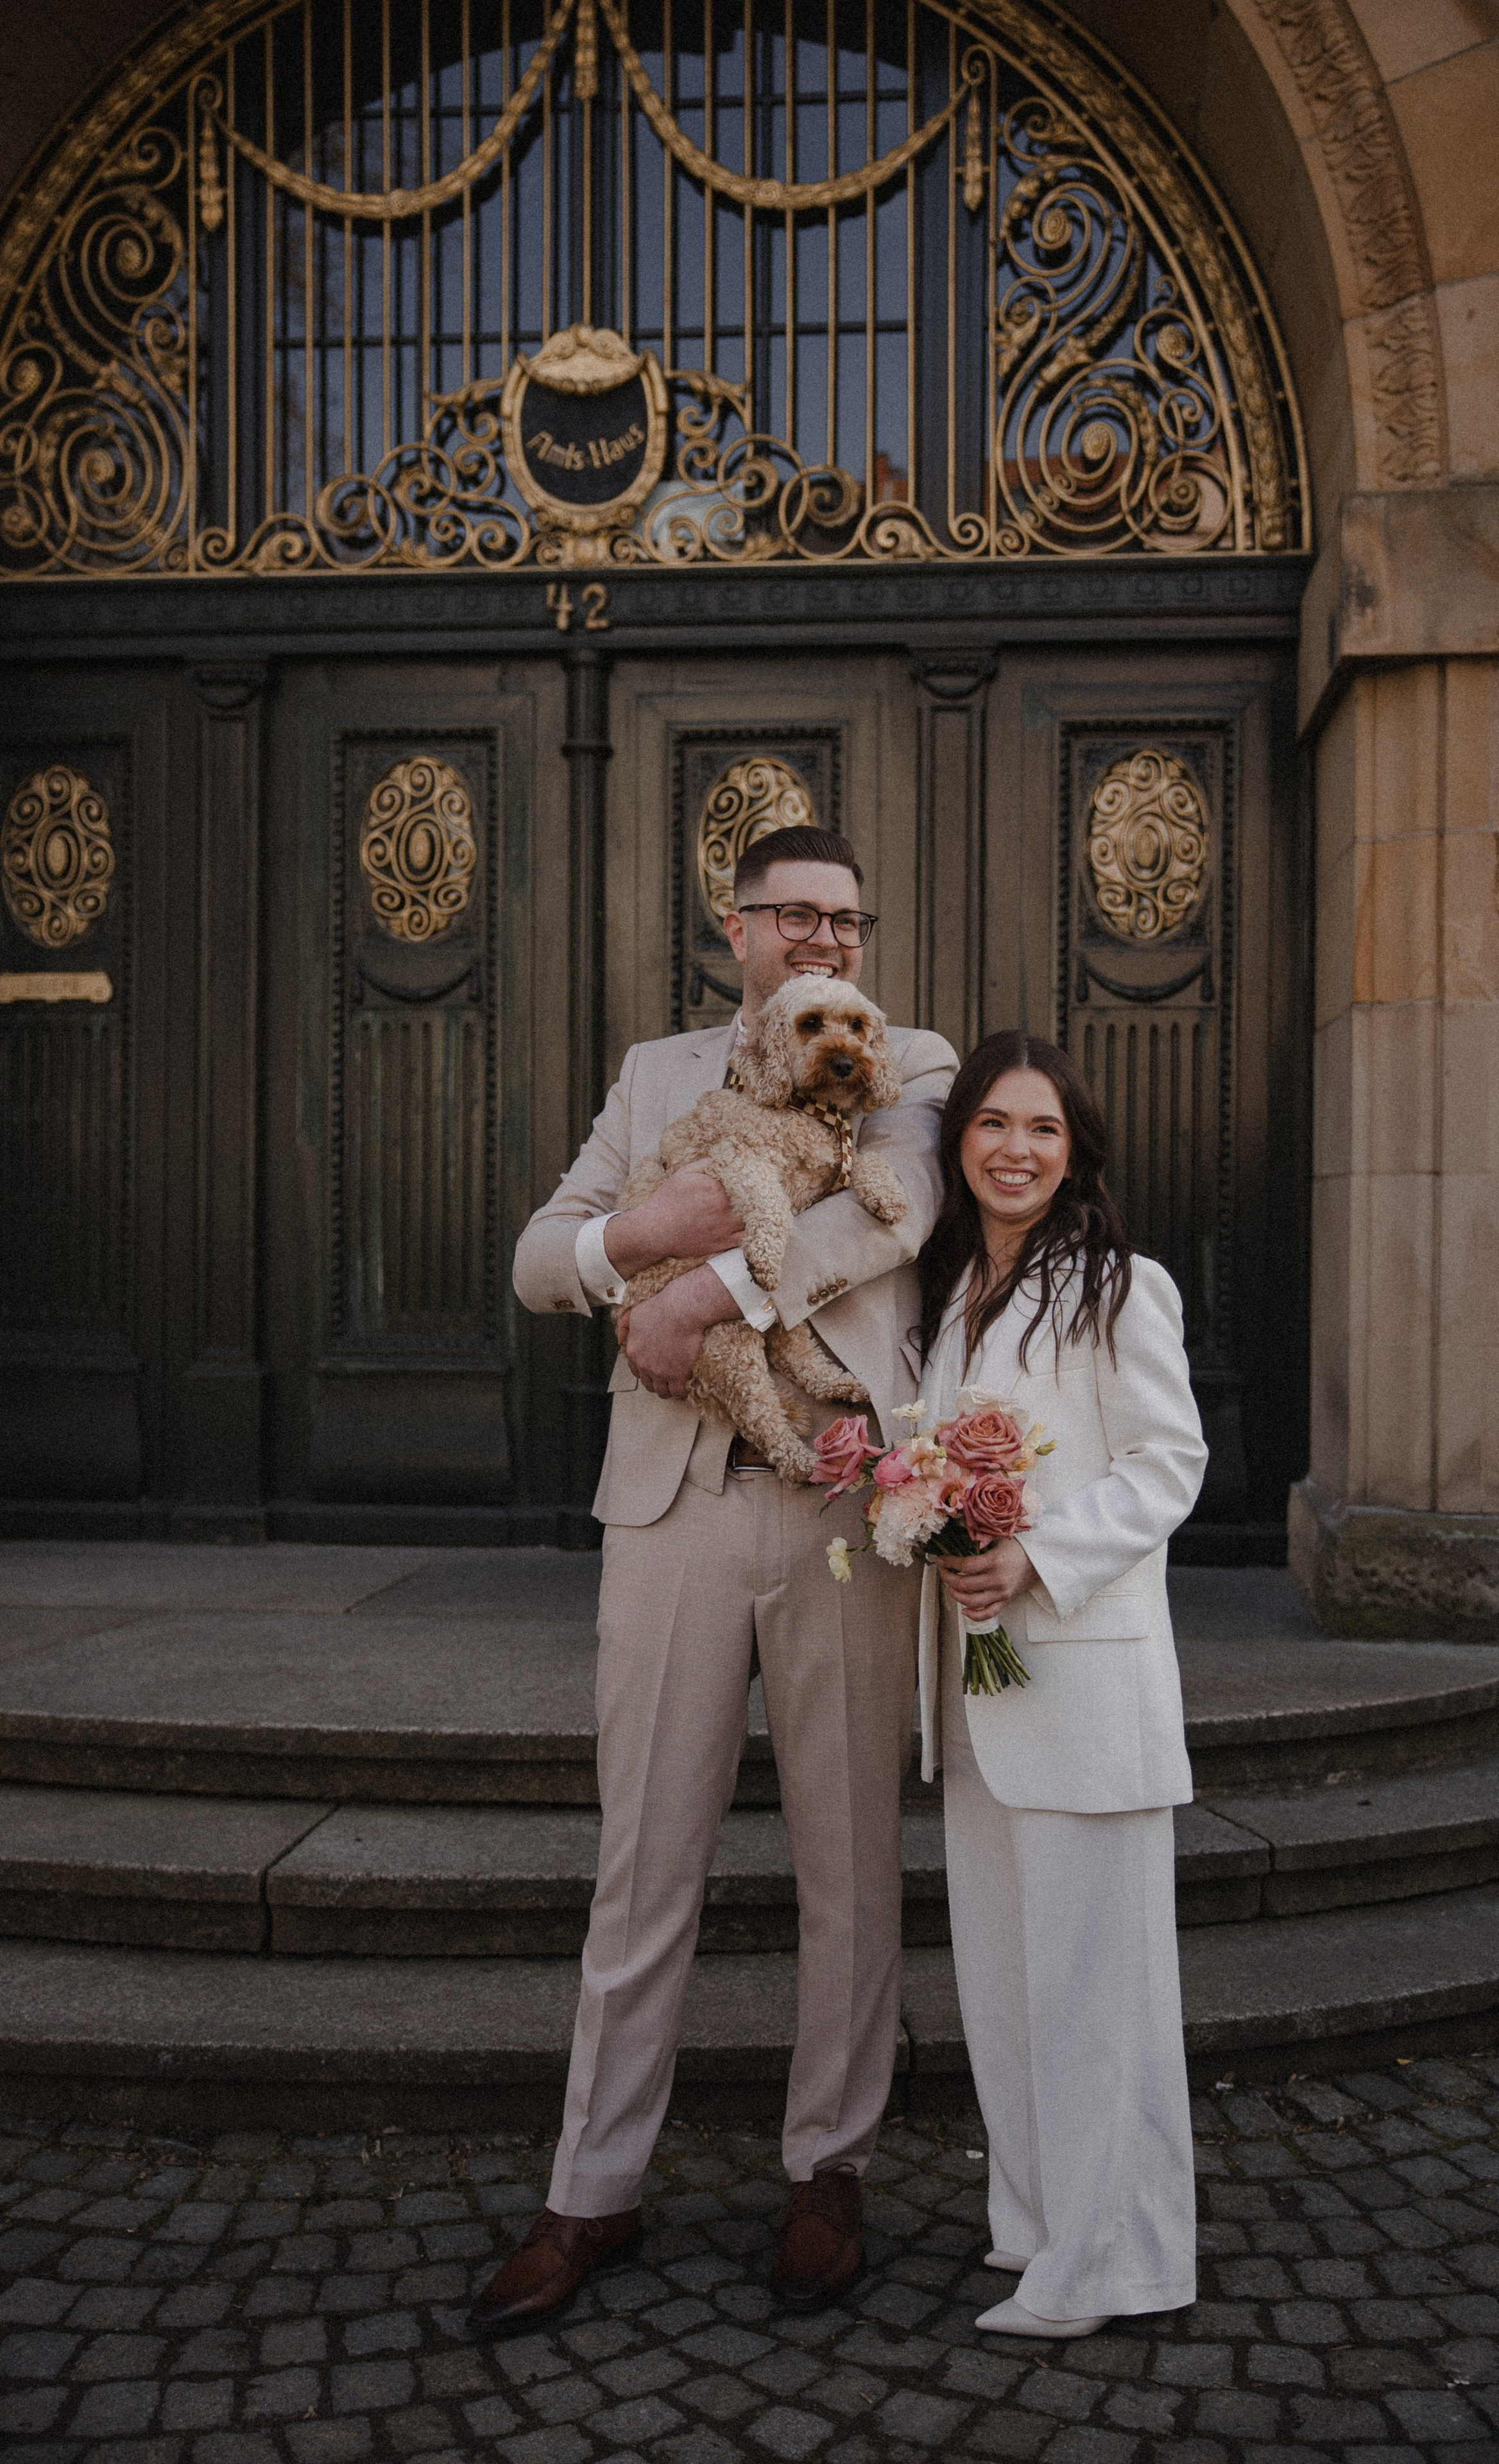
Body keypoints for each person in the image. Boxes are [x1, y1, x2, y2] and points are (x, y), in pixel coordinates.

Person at [471, 826, 957, 2332]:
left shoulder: (913, 1062)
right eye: (797, 918)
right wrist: (640, 1238)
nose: (826, 944)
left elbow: (885, 1224)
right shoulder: (651, 1075)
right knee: (644, 1863)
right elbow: (540, 1260)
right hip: (669, 1507)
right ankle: (590, 2194)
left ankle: (830, 2170)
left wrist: (700, 1292)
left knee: (846, 1863)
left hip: (841, 1504)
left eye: (847, 922)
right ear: (734, 930)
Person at [914, 1031, 1207, 2338]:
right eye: (990, 1123)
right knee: (1005, 1984)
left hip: (1081, 1685)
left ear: (1075, 1146)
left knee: (1098, 1997)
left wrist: (1034, 1556)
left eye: (1039, 1127)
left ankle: (1110, 2266)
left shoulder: (1116, 1284)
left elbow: (1165, 1465)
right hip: (977, 1698)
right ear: (958, 1141)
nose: (1013, 1149)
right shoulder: (954, 1292)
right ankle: (1033, 2227)